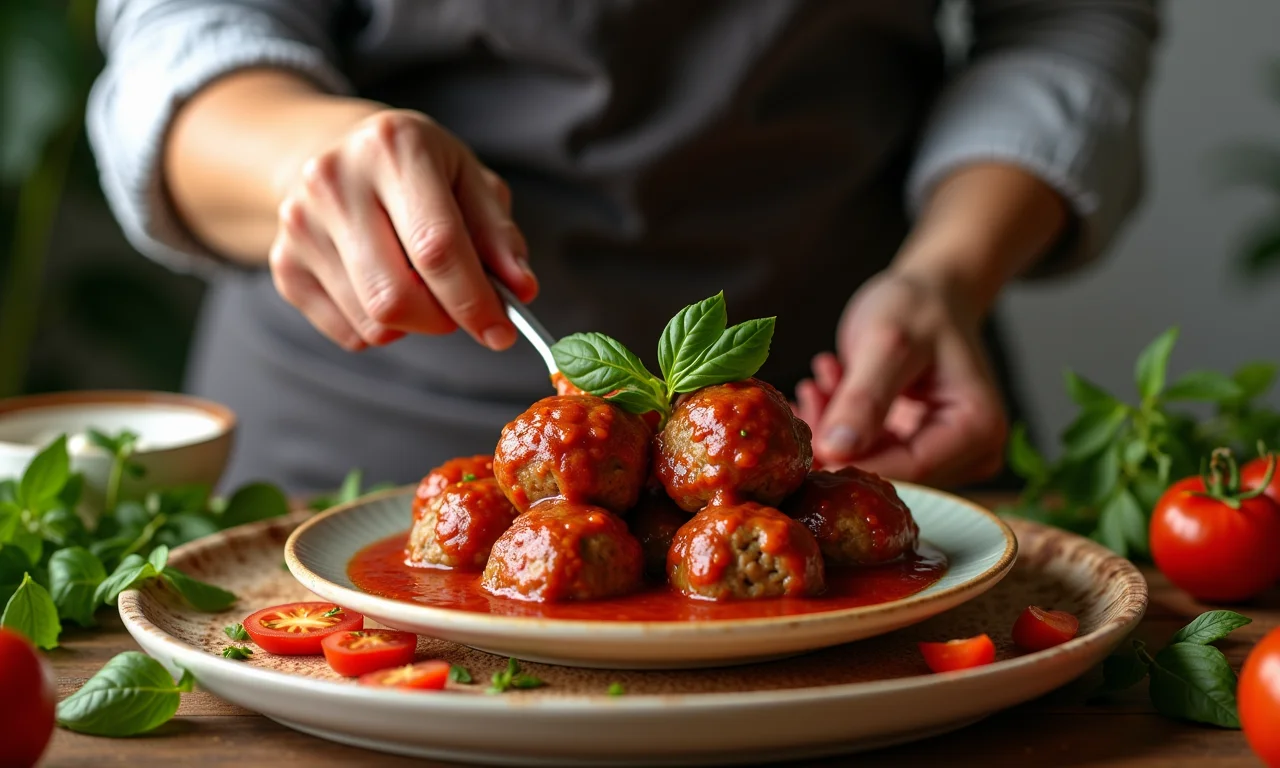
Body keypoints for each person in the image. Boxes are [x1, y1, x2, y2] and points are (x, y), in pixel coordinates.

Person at [87, 0, 1158, 495]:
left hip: (855, 432)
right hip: (348, 445)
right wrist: (305, 156)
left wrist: (947, 273)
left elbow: (1069, 19)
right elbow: (179, 31)